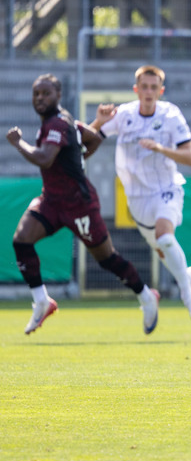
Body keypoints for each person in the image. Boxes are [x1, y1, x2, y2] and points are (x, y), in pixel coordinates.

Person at [8, 74, 161, 335]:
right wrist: (75, 159)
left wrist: (17, 142)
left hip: (79, 204)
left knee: (106, 259)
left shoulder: (57, 123)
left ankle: (146, 296)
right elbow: (93, 138)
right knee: (21, 241)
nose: (40, 98)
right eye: (36, 94)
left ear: (58, 95)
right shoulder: (64, 122)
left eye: (46, 93)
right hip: (51, 200)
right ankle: (42, 301)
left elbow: (44, 158)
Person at [87, 65, 191, 321]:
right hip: (137, 200)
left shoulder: (171, 114)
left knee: (166, 238)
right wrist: (98, 121)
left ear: (161, 91)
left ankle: (188, 298)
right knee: (164, 251)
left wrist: (161, 149)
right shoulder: (124, 115)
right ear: (136, 89)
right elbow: (88, 138)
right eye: (144, 87)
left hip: (166, 189)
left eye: (154, 87)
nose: (149, 92)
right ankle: (188, 276)